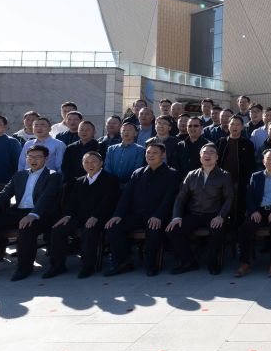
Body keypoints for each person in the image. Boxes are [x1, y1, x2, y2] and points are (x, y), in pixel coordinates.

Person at [0, 144, 63, 282]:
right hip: (18, 212)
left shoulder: (53, 176)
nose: (34, 160)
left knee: (27, 227)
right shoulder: (19, 175)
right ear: (26, 158)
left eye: (38, 157)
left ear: (46, 158)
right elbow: (3, 195)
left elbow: (46, 197)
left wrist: (32, 215)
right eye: (30, 157)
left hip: (41, 214)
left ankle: (24, 267)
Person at [104, 141, 180, 276]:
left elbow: (169, 199)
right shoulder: (138, 173)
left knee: (153, 229)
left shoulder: (172, 174)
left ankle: (152, 265)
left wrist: (158, 215)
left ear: (163, 155)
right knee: (113, 227)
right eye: (148, 152)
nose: (150, 155)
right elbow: (126, 197)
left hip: (158, 216)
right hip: (137, 215)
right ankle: (123, 263)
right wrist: (118, 214)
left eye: (155, 153)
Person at [46, 151, 119, 279]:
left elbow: (109, 202)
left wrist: (96, 216)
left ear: (101, 163)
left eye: (93, 161)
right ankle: (57, 266)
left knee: (89, 231)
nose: (90, 165)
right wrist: (67, 216)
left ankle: (88, 266)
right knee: (58, 229)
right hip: (80, 217)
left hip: (102, 217)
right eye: (86, 162)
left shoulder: (111, 179)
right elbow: (72, 202)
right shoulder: (79, 181)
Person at [166, 143, 233, 275]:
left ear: (217, 157)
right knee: (172, 230)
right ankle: (189, 261)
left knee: (217, 230)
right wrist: (176, 217)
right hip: (194, 214)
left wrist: (221, 216)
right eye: (204, 153)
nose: (207, 155)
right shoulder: (191, 175)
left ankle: (213, 263)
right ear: (200, 156)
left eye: (211, 152)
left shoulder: (224, 175)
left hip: (213, 214)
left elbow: (229, 198)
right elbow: (181, 198)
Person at [237, 149, 271, 278]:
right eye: (268, 159)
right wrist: (253, 211)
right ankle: (245, 263)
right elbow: (249, 197)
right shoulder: (256, 176)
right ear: (263, 161)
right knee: (245, 228)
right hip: (259, 211)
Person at [217, 116, 256, 227]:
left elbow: (251, 165)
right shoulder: (221, 142)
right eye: (232, 124)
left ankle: (236, 232)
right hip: (222, 182)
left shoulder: (248, 144)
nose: (235, 127)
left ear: (242, 127)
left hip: (240, 181)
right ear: (228, 126)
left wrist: (248, 182)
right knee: (222, 207)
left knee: (238, 208)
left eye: (238, 124)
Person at [61, 120, 104, 188]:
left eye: (87, 130)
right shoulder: (70, 147)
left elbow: (102, 165)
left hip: (94, 182)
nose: (84, 132)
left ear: (94, 132)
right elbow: (65, 167)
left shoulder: (100, 146)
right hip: (73, 183)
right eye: (81, 130)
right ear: (77, 131)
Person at [104, 122, 146, 187]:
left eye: (129, 130)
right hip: (111, 184)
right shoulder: (111, 149)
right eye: (123, 130)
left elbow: (137, 167)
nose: (126, 132)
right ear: (120, 133)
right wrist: (111, 181)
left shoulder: (140, 150)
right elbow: (107, 167)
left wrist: (129, 183)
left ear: (135, 133)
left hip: (130, 184)